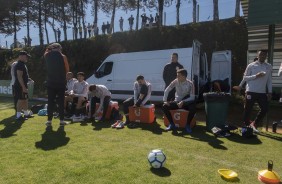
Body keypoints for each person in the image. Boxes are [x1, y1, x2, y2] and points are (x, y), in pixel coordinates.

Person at [242, 50, 272, 133]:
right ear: (258, 55)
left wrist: (270, 92)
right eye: (261, 55)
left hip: (262, 92)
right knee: (248, 109)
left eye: (264, 55)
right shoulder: (251, 65)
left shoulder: (268, 66)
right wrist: (256, 75)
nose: (263, 56)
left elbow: (269, 80)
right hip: (251, 91)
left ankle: (254, 123)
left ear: (266, 56)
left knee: (265, 108)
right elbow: (245, 78)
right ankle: (246, 127)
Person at [44, 43, 70, 127]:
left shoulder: (47, 55)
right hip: (60, 82)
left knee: (50, 102)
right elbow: (67, 70)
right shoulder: (63, 56)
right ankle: (61, 120)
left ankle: (49, 121)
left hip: (50, 82)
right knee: (61, 101)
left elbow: (46, 51)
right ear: (59, 48)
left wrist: (49, 48)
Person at [162, 69, 196, 133]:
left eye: (178, 76)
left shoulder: (190, 83)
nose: (177, 77)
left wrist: (183, 102)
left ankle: (187, 125)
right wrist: (165, 100)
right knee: (164, 106)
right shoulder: (175, 81)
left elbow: (192, 98)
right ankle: (172, 124)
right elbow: (167, 90)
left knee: (193, 108)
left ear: (184, 76)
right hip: (177, 102)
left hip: (186, 103)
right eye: (177, 75)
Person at [14, 51, 34, 120]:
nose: (27, 58)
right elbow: (19, 77)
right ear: (21, 56)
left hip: (23, 85)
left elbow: (22, 76)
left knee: (25, 100)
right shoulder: (19, 64)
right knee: (20, 100)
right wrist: (23, 87)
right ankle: (18, 116)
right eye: (26, 56)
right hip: (20, 86)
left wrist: (28, 78)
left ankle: (26, 114)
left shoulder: (22, 64)